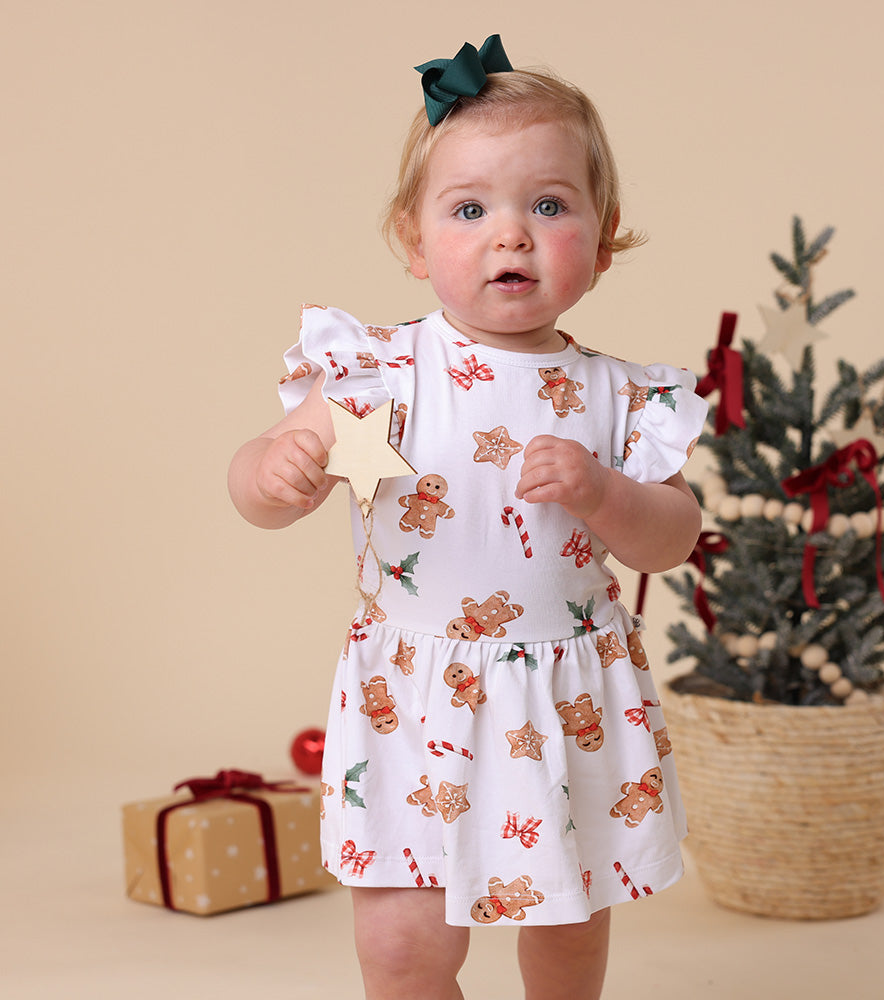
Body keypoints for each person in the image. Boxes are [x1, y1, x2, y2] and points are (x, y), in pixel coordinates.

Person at [228, 34, 707, 1000]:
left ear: (604, 238)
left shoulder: (619, 399)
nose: (511, 235)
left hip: (562, 698)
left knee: (566, 934)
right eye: (470, 208)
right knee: (402, 949)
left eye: (549, 205)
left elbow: (674, 535)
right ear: (414, 241)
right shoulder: (380, 373)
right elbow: (255, 486)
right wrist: (274, 474)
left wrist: (604, 492)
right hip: (412, 700)